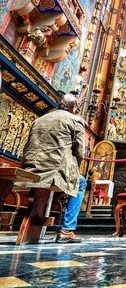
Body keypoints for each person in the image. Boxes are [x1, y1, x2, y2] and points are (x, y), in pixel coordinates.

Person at [20, 93, 87, 244]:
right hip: (53, 172)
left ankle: (36, 217)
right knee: (81, 183)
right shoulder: (75, 120)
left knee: (49, 182)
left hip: (29, 170)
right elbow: (80, 151)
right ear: (73, 108)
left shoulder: (40, 119)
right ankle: (66, 230)